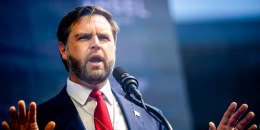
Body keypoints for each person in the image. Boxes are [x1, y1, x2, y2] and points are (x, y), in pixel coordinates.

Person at [1, 5, 258, 130]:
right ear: (62, 49)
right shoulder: (38, 122)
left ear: (114, 47)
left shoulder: (151, 118)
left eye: (104, 38)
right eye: (83, 38)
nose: (96, 45)